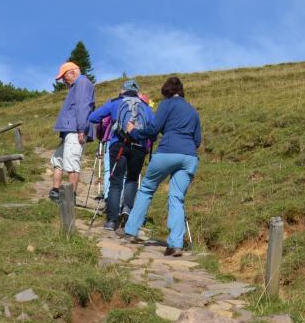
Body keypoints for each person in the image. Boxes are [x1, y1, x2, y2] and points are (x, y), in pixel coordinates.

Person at [121, 75, 202, 257]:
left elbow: (153, 130)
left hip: (167, 151)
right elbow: (197, 140)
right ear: (181, 92)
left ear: (166, 92)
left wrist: (133, 131)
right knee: (177, 197)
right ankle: (175, 244)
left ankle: (131, 231)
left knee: (147, 188)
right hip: (189, 156)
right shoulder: (193, 111)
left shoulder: (166, 104)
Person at [88, 80, 153, 232]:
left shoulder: (115, 102)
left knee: (116, 181)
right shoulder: (146, 107)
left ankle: (111, 220)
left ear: (122, 90)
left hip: (118, 144)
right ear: (137, 92)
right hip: (139, 147)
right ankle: (127, 210)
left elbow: (93, 118)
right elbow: (154, 128)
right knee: (131, 179)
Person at [49, 61, 95, 201]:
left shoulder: (82, 82)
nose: (64, 81)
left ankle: (70, 198)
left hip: (76, 130)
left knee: (71, 163)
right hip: (70, 130)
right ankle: (56, 192)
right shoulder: (77, 84)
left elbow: (83, 106)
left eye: (64, 77)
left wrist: (81, 129)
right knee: (58, 159)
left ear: (73, 72)